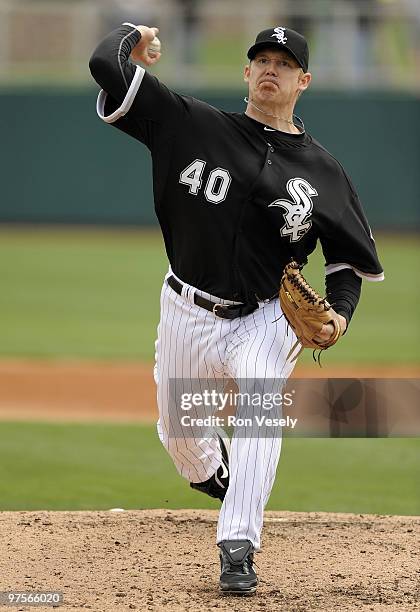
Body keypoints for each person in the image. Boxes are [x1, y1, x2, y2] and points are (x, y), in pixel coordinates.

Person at [89, 24, 383, 595]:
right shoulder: (189, 123)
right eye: (262, 59)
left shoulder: (325, 173)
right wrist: (135, 36)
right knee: (180, 434)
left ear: (304, 81)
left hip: (266, 318)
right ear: (246, 73)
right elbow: (106, 65)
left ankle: (238, 545)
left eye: (285, 62)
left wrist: (341, 313)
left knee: (258, 404)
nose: (271, 68)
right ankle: (219, 477)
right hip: (186, 310)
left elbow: (347, 262)